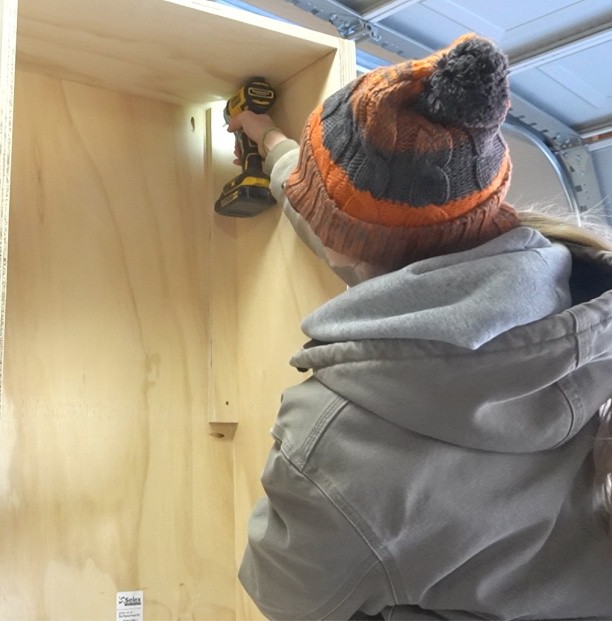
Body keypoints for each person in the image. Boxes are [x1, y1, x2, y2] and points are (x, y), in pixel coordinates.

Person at [227, 34, 612, 620]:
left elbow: (287, 600)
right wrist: (270, 139)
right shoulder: (581, 293)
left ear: (341, 240)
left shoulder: (336, 451)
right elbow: (346, 218)